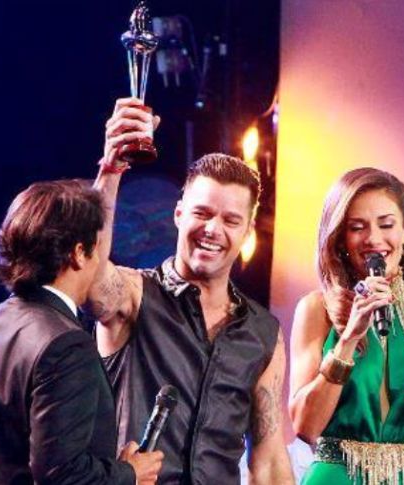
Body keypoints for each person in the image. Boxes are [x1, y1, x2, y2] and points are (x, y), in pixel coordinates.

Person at [88, 97, 295, 484]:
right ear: (179, 214)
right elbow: (89, 273)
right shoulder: (134, 295)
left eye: (231, 220)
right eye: (202, 213)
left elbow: (268, 458)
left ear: (247, 232)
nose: (213, 230)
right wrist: (111, 169)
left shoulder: (263, 332)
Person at [0, 179, 164, 484]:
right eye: (97, 249)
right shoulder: (66, 345)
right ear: (79, 253)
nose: (100, 262)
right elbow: (63, 475)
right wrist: (130, 473)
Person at [288, 168, 404, 485]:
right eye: (357, 227)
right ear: (341, 239)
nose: (373, 239)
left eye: (386, 224)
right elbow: (305, 427)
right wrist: (349, 337)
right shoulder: (317, 309)